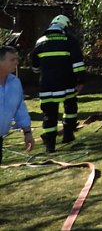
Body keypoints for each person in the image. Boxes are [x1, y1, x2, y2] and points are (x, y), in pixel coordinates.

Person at [30, 14, 86, 152]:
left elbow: (35, 66)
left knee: (49, 113)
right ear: (64, 26)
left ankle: (50, 145)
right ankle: (68, 134)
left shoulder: (40, 41)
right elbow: (78, 63)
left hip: (47, 85)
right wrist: (80, 80)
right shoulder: (69, 40)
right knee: (70, 108)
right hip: (67, 83)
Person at [0, 45, 35, 165]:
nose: (16, 62)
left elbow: (20, 108)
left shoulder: (15, 83)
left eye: (17, 59)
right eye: (12, 60)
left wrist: (27, 132)